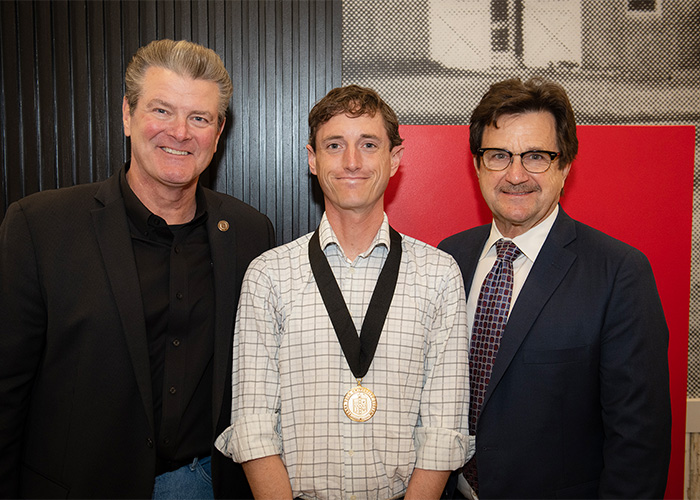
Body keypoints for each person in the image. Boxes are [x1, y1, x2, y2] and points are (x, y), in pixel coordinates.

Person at [0, 39, 275, 498]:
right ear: (127, 115)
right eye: (162, 111)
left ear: (219, 131)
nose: (181, 132)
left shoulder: (250, 233)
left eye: (200, 118)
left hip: (207, 484)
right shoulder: (40, 228)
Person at [215, 84, 472, 499]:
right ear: (313, 160)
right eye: (334, 145)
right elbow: (254, 424)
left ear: (395, 159)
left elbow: (443, 428)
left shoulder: (439, 275)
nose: (352, 161)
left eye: (368, 144)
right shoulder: (268, 275)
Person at [438, 77, 672, 499]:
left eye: (536, 157)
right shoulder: (448, 258)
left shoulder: (619, 273)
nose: (515, 174)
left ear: (565, 165)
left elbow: (639, 442)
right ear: (477, 166)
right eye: (498, 156)